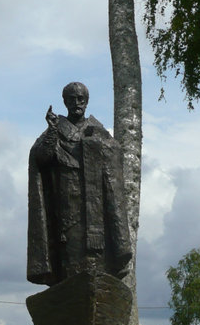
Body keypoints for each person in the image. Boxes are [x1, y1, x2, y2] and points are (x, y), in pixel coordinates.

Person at [27, 82, 131, 286]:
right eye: (72, 99)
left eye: (80, 99)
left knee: (99, 262)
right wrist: (52, 131)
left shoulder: (99, 132)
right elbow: (41, 158)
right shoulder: (55, 131)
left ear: (87, 101)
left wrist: (97, 147)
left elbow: (113, 158)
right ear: (64, 102)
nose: (76, 103)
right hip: (68, 209)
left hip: (98, 211)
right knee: (71, 260)